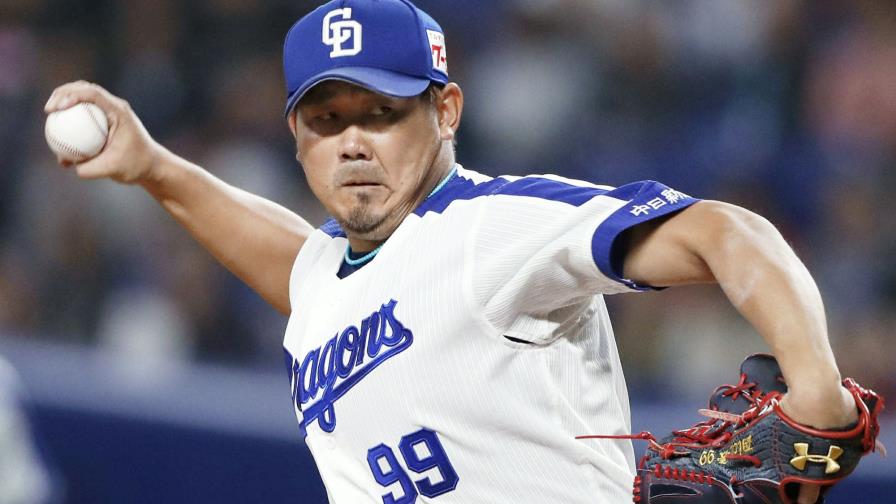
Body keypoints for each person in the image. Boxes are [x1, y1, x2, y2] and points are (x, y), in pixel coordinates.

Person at [43, 0, 857, 502]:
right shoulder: (334, 275)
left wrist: (816, 388)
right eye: (328, 121)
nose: (353, 143)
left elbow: (728, 231)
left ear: (446, 111)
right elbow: (304, 270)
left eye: (382, 112)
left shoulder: (492, 224)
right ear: (296, 135)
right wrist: (154, 169)